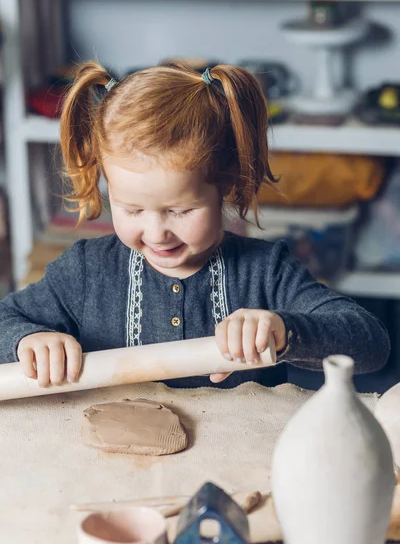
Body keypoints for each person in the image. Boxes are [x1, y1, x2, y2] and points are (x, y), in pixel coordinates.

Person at [0, 61, 390, 389]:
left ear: (226, 182)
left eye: (180, 211)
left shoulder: (266, 272)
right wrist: (28, 340)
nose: (156, 233)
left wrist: (284, 330)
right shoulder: (85, 272)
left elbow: (371, 343)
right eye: (132, 210)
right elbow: (5, 321)